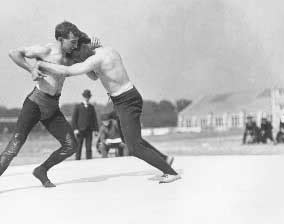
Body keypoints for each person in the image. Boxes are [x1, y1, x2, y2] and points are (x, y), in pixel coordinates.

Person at [35, 40, 179, 183]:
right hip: (124, 100)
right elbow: (93, 75)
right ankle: (165, 160)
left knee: (134, 147)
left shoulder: (94, 59)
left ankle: (170, 172)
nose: (76, 59)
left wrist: (42, 64)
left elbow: (67, 71)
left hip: (126, 102)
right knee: (134, 140)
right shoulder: (104, 53)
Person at [0, 21, 93, 195]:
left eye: (76, 42)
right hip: (35, 104)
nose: (75, 45)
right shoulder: (46, 50)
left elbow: (92, 75)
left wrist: (89, 52)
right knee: (15, 145)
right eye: (72, 42)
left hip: (52, 108)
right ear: (60, 39)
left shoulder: (73, 54)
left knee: (71, 145)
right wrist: (31, 70)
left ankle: (41, 170)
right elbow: (13, 53)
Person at [72, 89, 98, 160]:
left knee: (89, 147)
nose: (87, 98)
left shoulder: (91, 107)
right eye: (86, 97)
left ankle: (89, 161)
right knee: (79, 146)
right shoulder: (78, 106)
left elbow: (94, 119)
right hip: (80, 130)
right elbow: (74, 119)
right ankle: (77, 160)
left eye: (88, 97)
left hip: (89, 130)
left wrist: (96, 130)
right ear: (83, 97)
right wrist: (75, 129)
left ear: (90, 97)